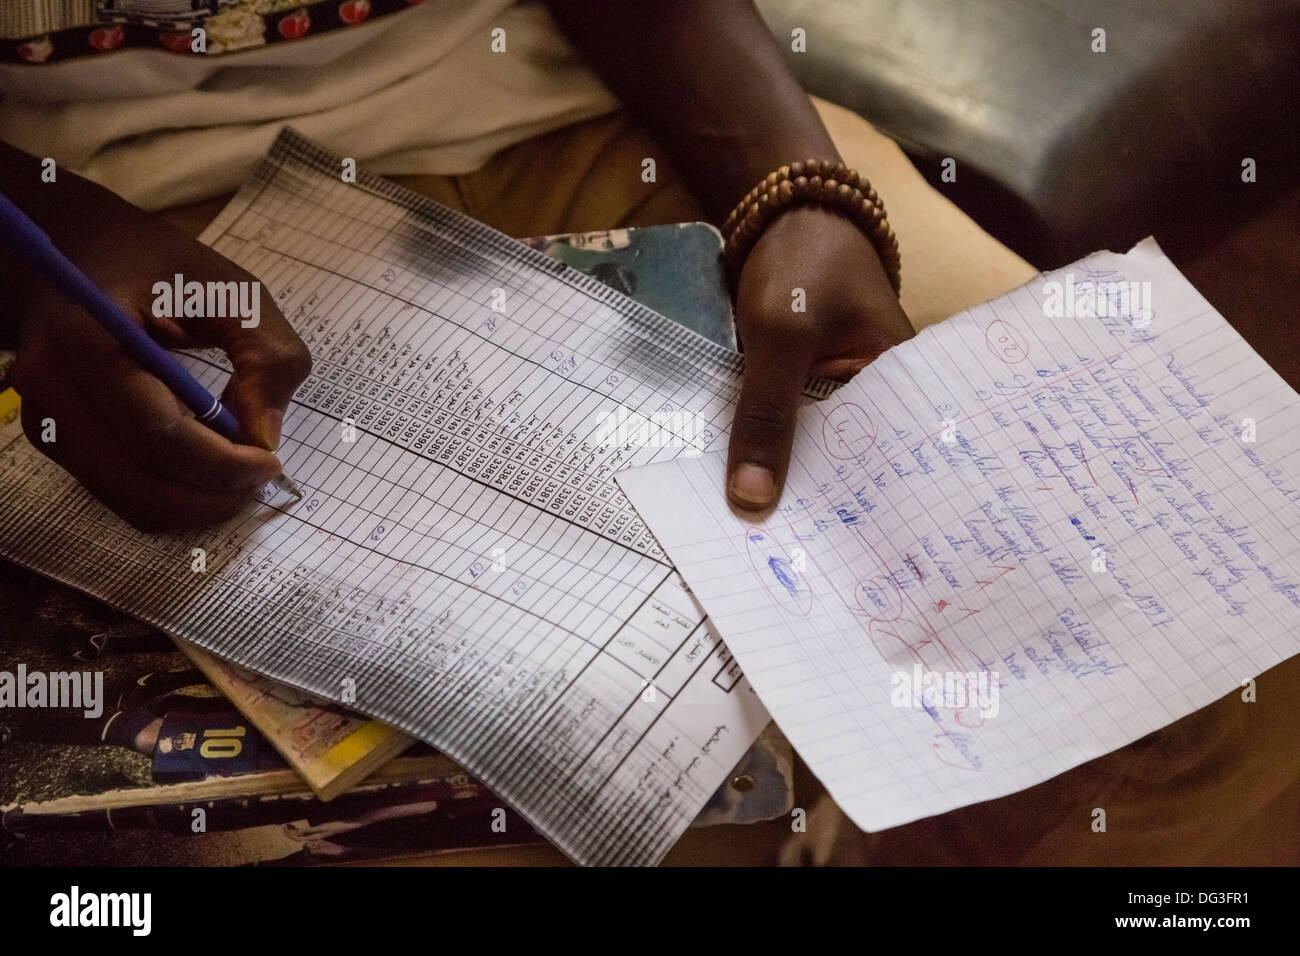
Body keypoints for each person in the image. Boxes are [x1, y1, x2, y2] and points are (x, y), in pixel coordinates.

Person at [0, 0, 1033, 531]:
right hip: (109, 209)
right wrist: (39, 256)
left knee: (1150, 662)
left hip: (596, 99)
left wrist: (793, 187)